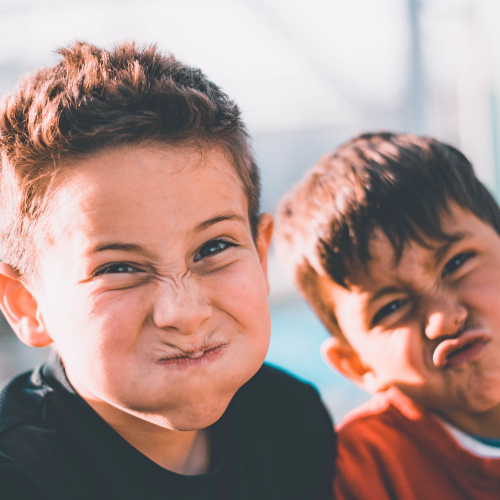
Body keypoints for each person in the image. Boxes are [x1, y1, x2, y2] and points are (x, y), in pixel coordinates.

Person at [0, 41, 335, 500]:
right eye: (118, 267)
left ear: (261, 252)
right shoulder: (18, 476)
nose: (184, 312)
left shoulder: (290, 420)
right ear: (28, 306)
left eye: (213, 247)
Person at [274, 132, 500, 499]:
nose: (443, 319)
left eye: (457, 263)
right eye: (391, 307)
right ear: (355, 365)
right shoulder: (357, 473)